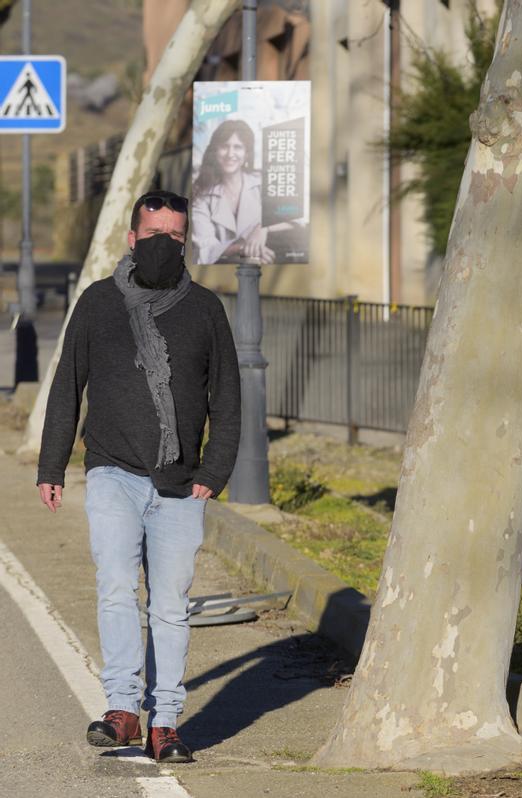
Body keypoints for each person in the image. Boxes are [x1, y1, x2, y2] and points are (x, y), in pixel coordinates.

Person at [35, 190, 241, 764]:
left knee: (170, 605)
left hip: (181, 482)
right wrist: (52, 465)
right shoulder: (99, 302)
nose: (163, 246)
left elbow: (226, 395)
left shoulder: (204, 309)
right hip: (112, 471)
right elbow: (66, 385)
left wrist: (214, 470)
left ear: (185, 243)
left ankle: (166, 723)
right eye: (153, 236)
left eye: (174, 238)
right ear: (131, 239)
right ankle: (123, 710)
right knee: (117, 588)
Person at [191, 119, 276, 265]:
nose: (230, 154)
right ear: (215, 151)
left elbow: (294, 219)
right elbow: (206, 247)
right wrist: (244, 249)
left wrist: (262, 227)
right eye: (224, 146)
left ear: (247, 153)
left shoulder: (263, 183)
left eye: (238, 147)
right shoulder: (200, 195)